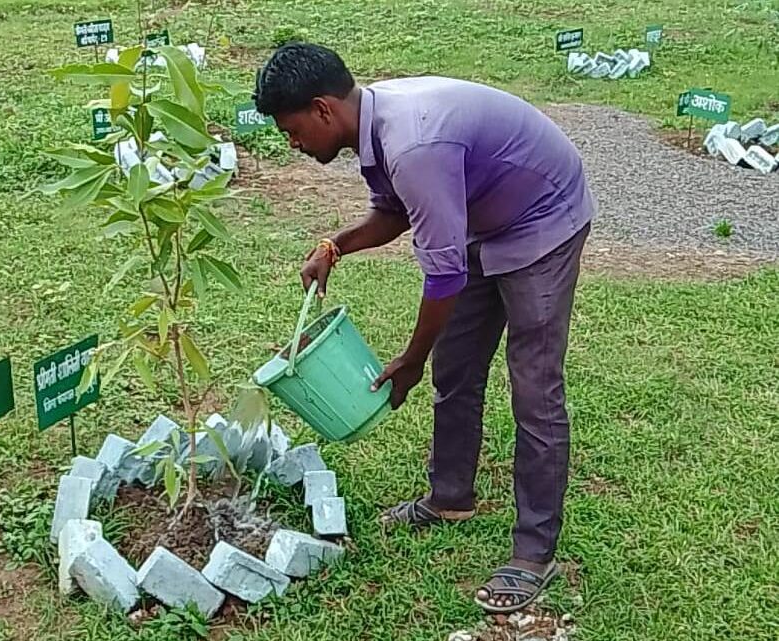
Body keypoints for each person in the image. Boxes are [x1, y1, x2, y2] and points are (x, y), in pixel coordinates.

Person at [254, 43, 595, 614]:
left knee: (535, 389)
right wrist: (336, 246)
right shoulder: (372, 124)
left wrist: (408, 360)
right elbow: (393, 214)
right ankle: (449, 497)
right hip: (482, 216)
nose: (291, 144)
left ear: (321, 110)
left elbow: (443, 279)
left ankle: (534, 552)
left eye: (292, 131)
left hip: (542, 218)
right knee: (456, 367)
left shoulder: (414, 145)